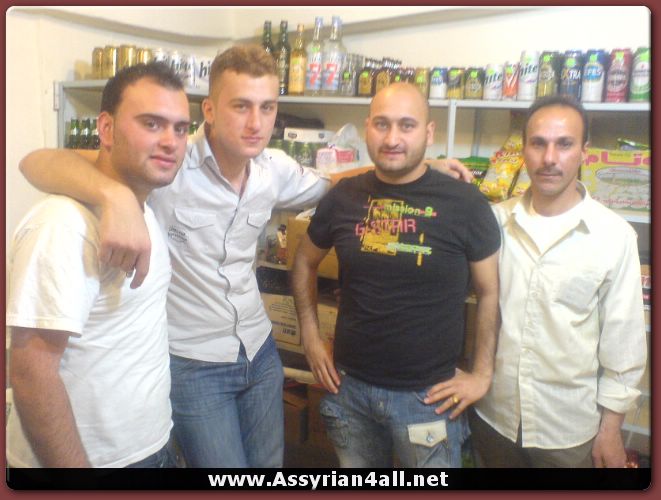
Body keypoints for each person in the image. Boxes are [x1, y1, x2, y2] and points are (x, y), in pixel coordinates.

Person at [18, 45, 471, 468]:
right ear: (210, 110)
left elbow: (337, 183)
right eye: (241, 106)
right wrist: (113, 195)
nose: (256, 122)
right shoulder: (168, 163)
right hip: (194, 363)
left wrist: (420, 167)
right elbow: (39, 162)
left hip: (259, 351)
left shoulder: (274, 169)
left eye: (267, 107)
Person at [291, 82, 501, 468]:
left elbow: (489, 292)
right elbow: (304, 260)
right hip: (349, 389)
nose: (392, 138)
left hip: (428, 399)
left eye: (407, 125)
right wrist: (309, 335)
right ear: (367, 127)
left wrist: (482, 375)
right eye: (382, 124)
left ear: (429, 132)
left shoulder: (466, 203)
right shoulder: (343, 196)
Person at [6, 62, 190, 468]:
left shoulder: (141, 202)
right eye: (151, 124)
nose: (170, 142)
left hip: (149, 445)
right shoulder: (63, 225)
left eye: (180, 129)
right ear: (106, 129)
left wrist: (117, 197)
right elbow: (32, 375)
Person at [470, 95, 647, 468]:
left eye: (564, 144)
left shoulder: (614, 236)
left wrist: (610, 430)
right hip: (494, 417)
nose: (549, 158)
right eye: (538, 143)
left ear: (584, 151)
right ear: (524, 150)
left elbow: (624, 346)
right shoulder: (494, 222)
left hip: (567, 432)